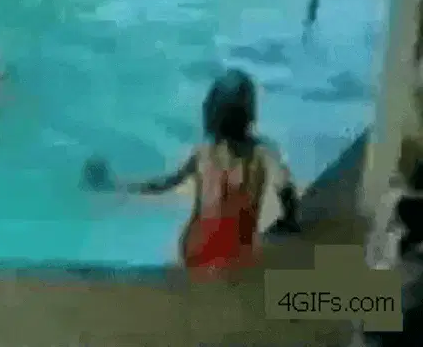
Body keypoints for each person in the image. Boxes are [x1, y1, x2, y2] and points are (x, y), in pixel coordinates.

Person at [82, 69, 297, 278]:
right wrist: (289, 221)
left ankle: (106, 184)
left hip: (196, 249)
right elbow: (286, 188)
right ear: (250, 112)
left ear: (211, 113)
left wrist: (117, 184)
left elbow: (163, 184)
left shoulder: (203, 154)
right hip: (238, 254)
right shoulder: (265, 152)